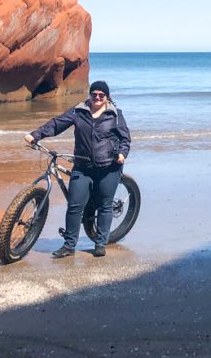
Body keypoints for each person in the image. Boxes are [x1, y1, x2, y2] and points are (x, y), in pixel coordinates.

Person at [24, 80, 131, 258]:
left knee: (105, 205)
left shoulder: (115, 115)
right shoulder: (78, 111)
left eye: (101, 95)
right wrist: (36, 135)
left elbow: (125, 138)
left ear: (107, 97)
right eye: (94, 94)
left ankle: (100, 243)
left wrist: (122, 154)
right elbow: (57, 123)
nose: (97, 97)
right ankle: (69, 246)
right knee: (74, 206)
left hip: (109, 167)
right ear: (90, 95)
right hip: (82, 166)